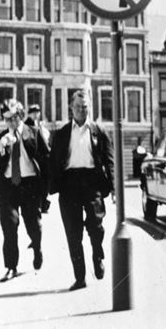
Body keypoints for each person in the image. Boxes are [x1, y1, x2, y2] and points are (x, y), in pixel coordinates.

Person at [48, 89, 113, 291]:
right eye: (77, 106)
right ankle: (80, 277)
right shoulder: (61, 134)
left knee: (96, 226)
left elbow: (110, 160)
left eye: (85, 107)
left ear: (89, 108)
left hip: (92, 181)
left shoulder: (99, 131)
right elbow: (53, 162)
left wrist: (113, 187)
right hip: (69, 185)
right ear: (71, 107)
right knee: (73, 233)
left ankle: (97, 255)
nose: (81, 110)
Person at [0, 100, 49, 281]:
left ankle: (37, 248)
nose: (11, 123)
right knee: (9, 227)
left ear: (21, 116)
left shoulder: (34, 134)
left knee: (33, 225)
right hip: (8, 187)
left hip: (30, 186)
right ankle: (11, 266)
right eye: (7, 120)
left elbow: (46, 161)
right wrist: (0, 149)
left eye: (14, 118)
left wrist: (45, 190)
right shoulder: (0, 139)